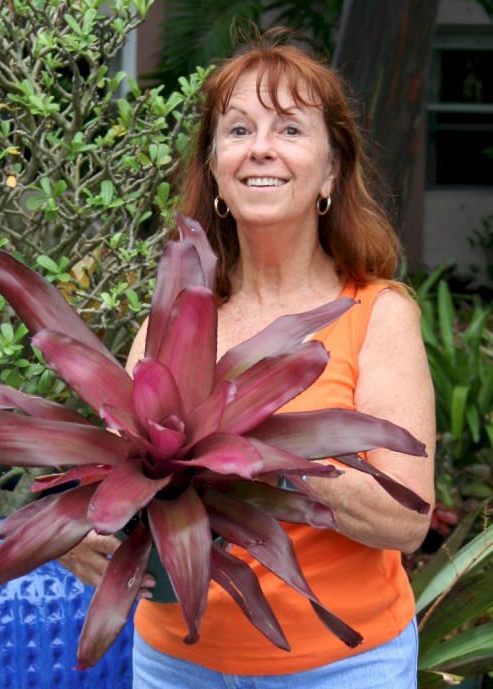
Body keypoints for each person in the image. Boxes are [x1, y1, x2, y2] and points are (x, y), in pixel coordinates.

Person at [59, 29, 436, 689]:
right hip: (177, 664)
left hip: (342, 668)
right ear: (216, 175)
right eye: (238, 129)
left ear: (330, 171)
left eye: (290, 129)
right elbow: (110, 477)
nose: (260, 147)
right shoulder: (172, 321)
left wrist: (269, 442)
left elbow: (405, 521)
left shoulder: (379, 313)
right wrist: (76, 531)